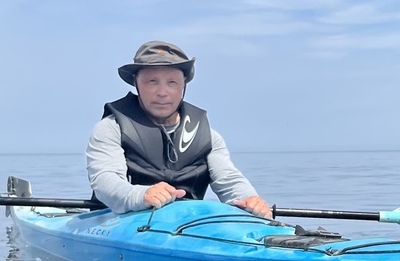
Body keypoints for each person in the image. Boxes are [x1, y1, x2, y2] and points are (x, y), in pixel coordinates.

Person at [85, 40, 272, 218]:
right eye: (152, 82)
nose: (162, 92)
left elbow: (229, 180)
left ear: (183, 85)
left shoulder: (208, 137)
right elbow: (105, 180)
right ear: (136, 83)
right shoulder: (110, 128)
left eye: (172, 82)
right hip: (118, 221)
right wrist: (141, 195)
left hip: (185, 226)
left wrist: (250, 200)